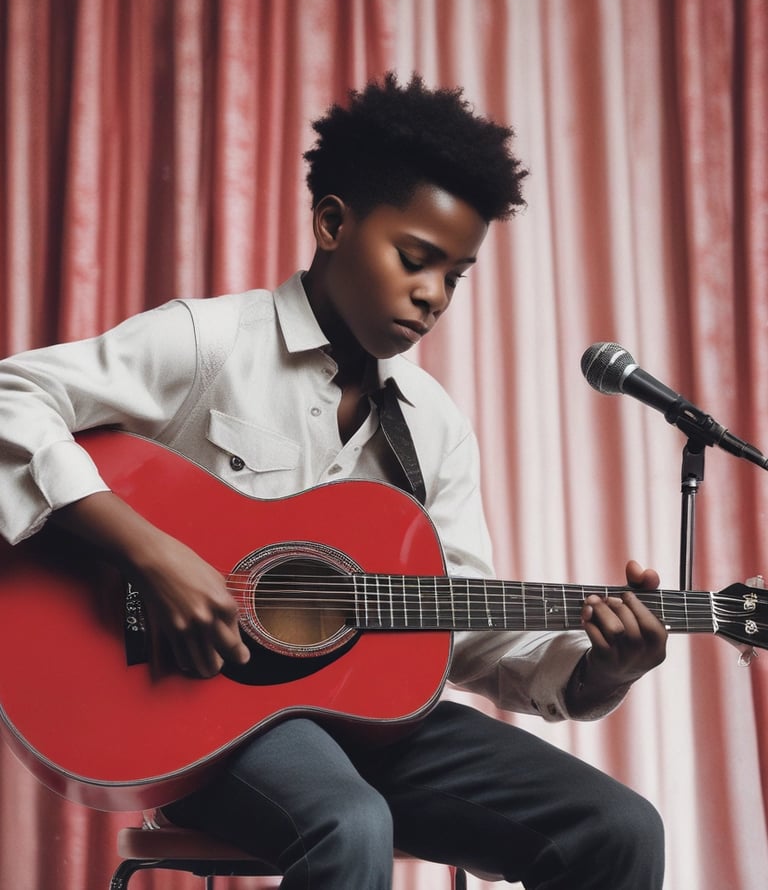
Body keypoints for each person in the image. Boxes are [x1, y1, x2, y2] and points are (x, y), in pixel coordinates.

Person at [0, 73, 667, 888]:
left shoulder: (432, 423)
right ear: (332, 223)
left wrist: (605, 669)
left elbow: (466, 624)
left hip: (364, 724)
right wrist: (150, 553)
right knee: (348, 823)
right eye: (415, 260)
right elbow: (11, 397)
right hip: (197, 712)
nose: (431, 296)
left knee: (617, 828)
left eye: (454, 277)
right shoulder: (210, 341)